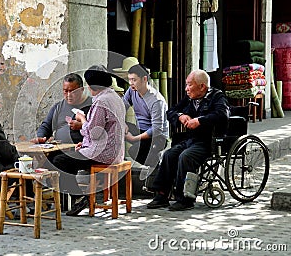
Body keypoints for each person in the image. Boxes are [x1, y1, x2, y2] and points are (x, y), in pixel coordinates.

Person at [146, 69, 229, 211]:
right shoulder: (190, 98)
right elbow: (171, 111)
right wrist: (180, 116)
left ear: (202, 86)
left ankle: (185, 199)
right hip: (190, 139)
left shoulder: (217, 97)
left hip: (208, 142)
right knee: (168, 155)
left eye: (189, 85)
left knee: (185, 157)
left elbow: (222, 115)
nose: (186, 89)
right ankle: (162, 195)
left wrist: (200, 120)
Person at [52, 65, 126, 216]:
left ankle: (79, 198)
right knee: (66, 158)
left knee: (59, 161)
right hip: (114, 151)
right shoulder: (115, 97)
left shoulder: (101, 102)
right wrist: (85, 144)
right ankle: (74, 197)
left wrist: (82, 120)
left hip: (104, 154)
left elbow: (94, 133)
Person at [122, 64, 169, 166]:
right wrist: (123, 124)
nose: (130, 83)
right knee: (114, 126)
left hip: (157, 137)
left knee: (134, 151)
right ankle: (118, 161)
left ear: (144, 79)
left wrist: (134, 139)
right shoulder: (131, 91)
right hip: (140, 130)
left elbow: (156, 129)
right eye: (129, 79)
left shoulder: (156, 100)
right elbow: (121, 108)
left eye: (134, 80)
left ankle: (157, 166)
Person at [31, 73, 92, 144]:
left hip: (82, 150)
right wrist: (41, 137)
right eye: (66, 91)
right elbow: (46, 126)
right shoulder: (58, 107)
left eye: (73, 91)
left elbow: (99, 130)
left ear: (81, 90)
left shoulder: (93, 106)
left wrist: (82, 126)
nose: (69, 95)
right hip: (60, 149)